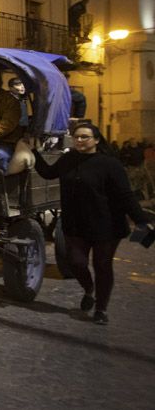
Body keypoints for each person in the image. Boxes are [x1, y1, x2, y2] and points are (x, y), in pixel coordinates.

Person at [33, 123, 152, 325]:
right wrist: (33, 152)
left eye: (85, 137)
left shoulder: (110, 164)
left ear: (96, 140)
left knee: (102, 266)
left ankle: (101, 309)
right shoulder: (68, 159)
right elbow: (48, 173)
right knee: (76, 263)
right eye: (77, 137)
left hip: (106, 224)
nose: (80, 140)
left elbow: (125, 196)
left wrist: (141, 221)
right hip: (76, 223)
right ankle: (89, 289)